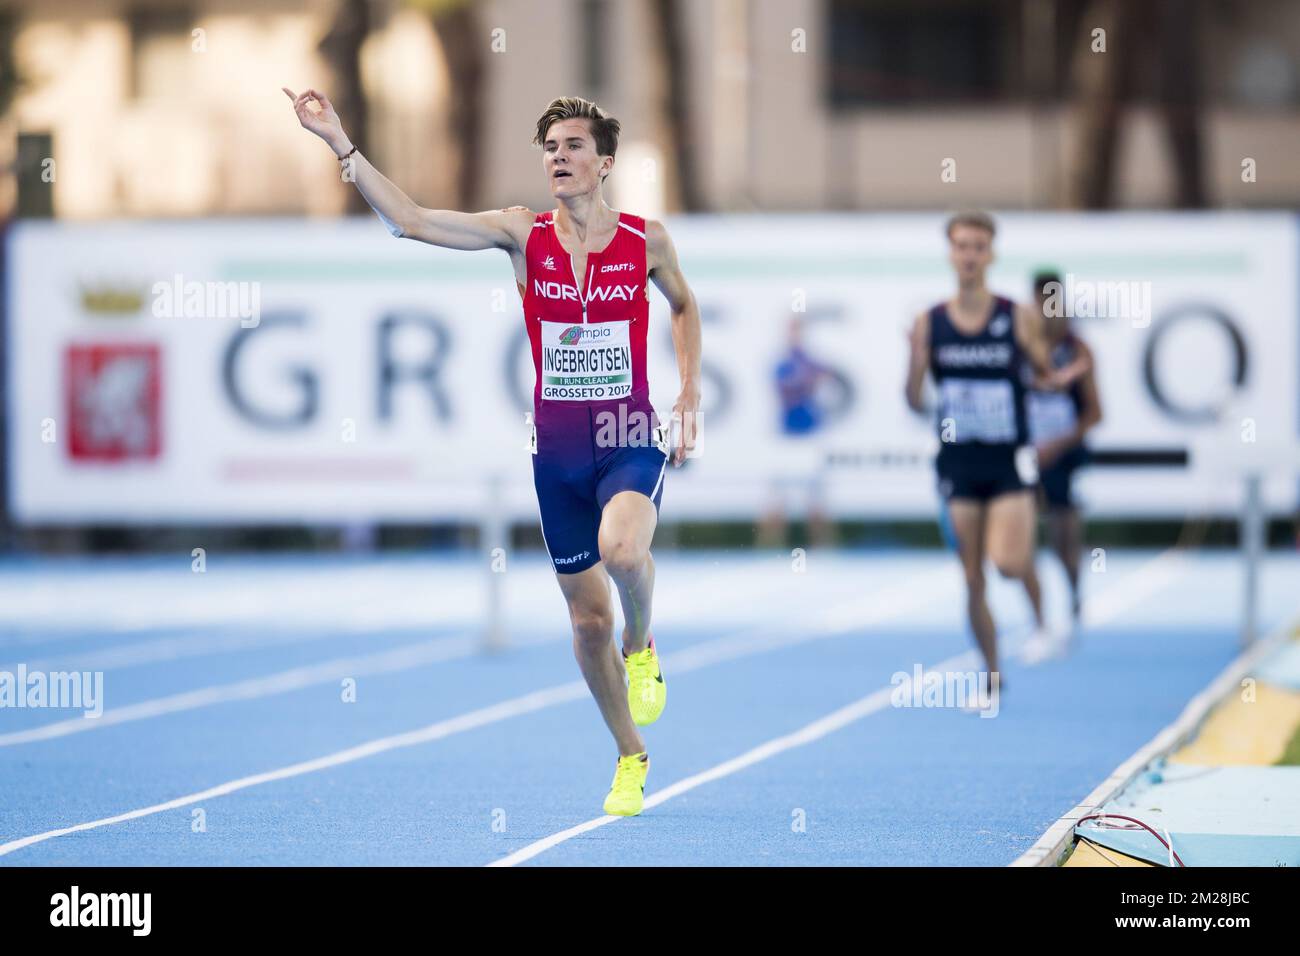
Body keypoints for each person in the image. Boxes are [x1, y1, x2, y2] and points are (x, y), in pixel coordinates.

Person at [284, 88, 702, 816]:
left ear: (604, 163)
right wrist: (339, 143)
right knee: (584, 622)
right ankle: (630, 753)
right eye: (550, 149)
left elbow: (684, 306)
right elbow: (409, 221)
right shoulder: (521, 234)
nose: (558, 159)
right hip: (558, 454)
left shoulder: (647, 240)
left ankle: (644, 645)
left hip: (627, 435)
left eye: (573, 147)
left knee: (626, 553)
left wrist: (689, 391)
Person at [904, 211, 1064, 705]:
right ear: (951, 254)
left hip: (1007, 459)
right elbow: (913, 398)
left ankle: (1041, 614)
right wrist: (915, 364)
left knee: (1009, 562)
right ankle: (992, 677)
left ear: (990, 255)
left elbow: (1040, 376)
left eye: (978, 247)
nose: (970, 255)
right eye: (961, 246)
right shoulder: (929, 323)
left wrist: (1050, 373)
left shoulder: (1016, 317)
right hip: (957, 462)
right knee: (973, 576)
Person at [1022, 270, 1102, 654]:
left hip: (1061, 453)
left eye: (1052, 302)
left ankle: (1073, 592)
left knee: (1061, 534)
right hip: (1024, 451)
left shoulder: (1077, 349)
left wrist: (1057, 444)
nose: (1046, 310)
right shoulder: (1021, 346)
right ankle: (1037, 618)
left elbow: (1094, 413)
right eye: (1040, 302)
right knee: (1018, 532)